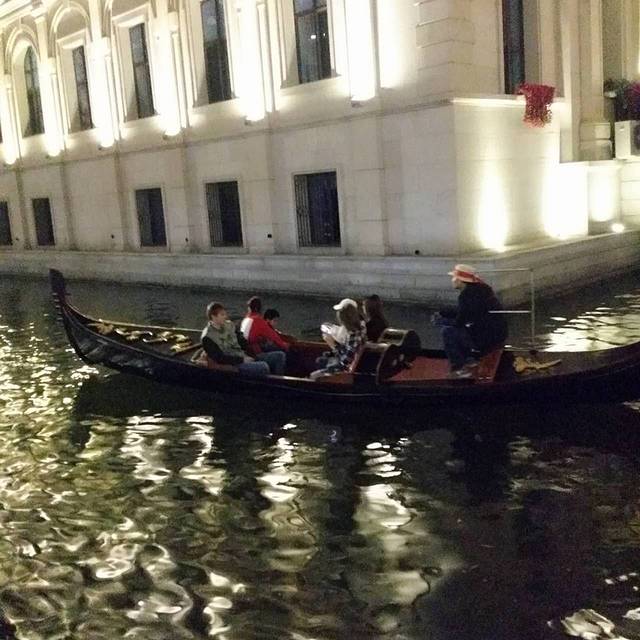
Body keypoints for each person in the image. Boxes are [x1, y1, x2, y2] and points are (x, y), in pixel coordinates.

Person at [434, 264, 508, 378]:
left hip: (487, 338)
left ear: (461, 281)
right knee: (458, 329)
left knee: (447, 331)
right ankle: (469, 359)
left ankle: (459, 368)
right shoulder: (481, 290)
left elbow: (459, 322)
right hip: (497, 334)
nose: (452, 280)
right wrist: (444, 313)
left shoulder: (467, 295)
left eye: (454, 277)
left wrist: (441, 321)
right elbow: (465, 312)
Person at [202, 302, 286, 376]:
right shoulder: (207, 337)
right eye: (222, 315)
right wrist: (242, 360)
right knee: (264, 366)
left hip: (243, 355)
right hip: (234, 363)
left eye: (225, 314)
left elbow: (242, 341)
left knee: (279, 355)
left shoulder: (229, 325)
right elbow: (220, 358)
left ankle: (280, 381)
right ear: (213, 316)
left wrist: (253, 351)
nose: (225, 317)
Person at [311, 298, 366, 379]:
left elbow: (345, 361)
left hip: (343, 370)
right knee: (320, 360)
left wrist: (332, 344)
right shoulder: (359, 329)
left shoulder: (353, 335)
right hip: (345, 363)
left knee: (314, 375)